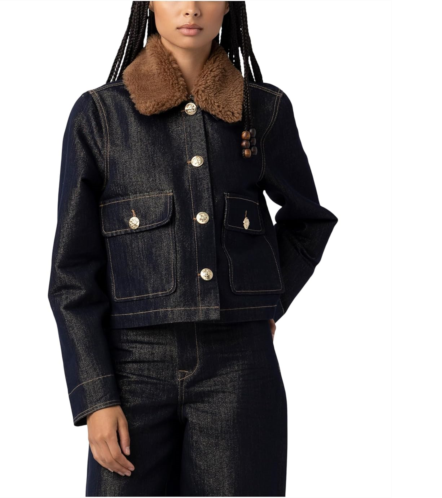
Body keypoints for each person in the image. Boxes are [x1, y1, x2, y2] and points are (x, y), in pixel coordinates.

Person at [48, 1, 338, 496]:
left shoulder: (262, 110)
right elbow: (73, 274)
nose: (191, 7)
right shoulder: (101, 116)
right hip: (131, 368)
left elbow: (308, 221)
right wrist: (96, 397)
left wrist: (266, 301)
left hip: (240, 368)